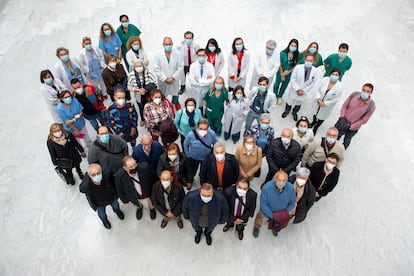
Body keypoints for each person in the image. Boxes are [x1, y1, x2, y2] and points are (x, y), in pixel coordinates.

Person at [80, 163, 124, 229]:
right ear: (89, 175)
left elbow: (113, 182)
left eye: (98, 173)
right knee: (101, 214)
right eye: (93, 175)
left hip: (111, 198)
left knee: (116, 206)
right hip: (99, 204)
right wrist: (86, 178)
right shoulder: (87, 185)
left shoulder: (107, 176)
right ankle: (104, 221)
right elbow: (81, 189)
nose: (96, 176)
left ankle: (117, 211)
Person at [253, 170, 296, 237]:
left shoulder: (291, 188)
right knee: (259, 217)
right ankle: (257, 227)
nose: (281, 182)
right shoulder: (266, 188)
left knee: (278, 222)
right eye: (279, 180)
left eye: (284, 180)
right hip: (267, 210)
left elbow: (292, 203)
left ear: (286, 181)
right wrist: (273, 216)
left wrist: (284, 213)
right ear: (275, 179)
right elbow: (263, 204)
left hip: (281, 212)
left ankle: (275, 228)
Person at [334, 83, 376, 149]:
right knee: (335, 136)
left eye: (368, 91)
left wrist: (352, 126)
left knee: (346, 141)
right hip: (343, 121)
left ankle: (339, 153)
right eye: (364, 90)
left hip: (353, 128)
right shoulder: (354, 95)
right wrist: (342, 117)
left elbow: (364, 120)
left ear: (371, 93)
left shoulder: (371, 106)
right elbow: (344, 106)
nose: (365, 92)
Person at [114, 156, 156, 220]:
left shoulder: (145, 167)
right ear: (125, 168)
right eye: (130, 167)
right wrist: (124, 199)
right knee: (136, 202)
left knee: (150, 201)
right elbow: (119, 189)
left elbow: (153, 178)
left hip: (146, 191)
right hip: (133, 194)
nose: (134, 167)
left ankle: (152, 209)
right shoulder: (119, 176)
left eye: (135, 164)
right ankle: (139, 208)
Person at [281, 54, 317, 121]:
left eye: (310, 60)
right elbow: (292, 79)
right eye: (307, 60)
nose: (309, 62)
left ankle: (294, 112)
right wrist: (297, 89)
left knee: (298, 103)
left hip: (303, 92)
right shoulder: (298, 67)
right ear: (304, 60)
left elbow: (313, 83)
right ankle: (287, 111)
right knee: (290, 101)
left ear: (313, 61)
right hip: (294, 90)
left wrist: (303, 91)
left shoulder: (315, 71)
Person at [153, 37, 184, 111]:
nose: (168, 46)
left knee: (175, 92)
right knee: (163, 93)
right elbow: (156, 68)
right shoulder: (157, 55)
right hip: (163, 80)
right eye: (166, 44)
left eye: (170, 44)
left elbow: (180, 67)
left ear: (172, 44)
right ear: (163, 44)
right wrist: (165, 79)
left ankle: (175, 102)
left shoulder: (178, 54)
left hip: (174, 79)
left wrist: (173, 77)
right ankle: (163, 103)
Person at [310, 68, 343, 134]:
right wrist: (318, 98)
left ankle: (316, 127)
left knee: (322, 116)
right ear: (330, 74)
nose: (334, 76)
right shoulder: (324, 80)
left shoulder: (339, 87)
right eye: (333, 74)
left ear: (339, 77)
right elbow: (317, 88)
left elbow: (336, 99)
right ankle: (313, 122)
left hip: (327, 106)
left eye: (336, 75)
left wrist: (325, 103)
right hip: (318, 101)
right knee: (315, 113)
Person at [127, 60, 157, 126]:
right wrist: (137, 90)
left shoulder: (148, 72)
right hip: (138, 96)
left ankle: (152, 119)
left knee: (150, 107)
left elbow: (155, 82)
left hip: (149, 95)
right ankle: (143, 119)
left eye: (140, 66)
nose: (138, 67)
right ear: (134, 67)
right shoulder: (131, 75)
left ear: (143, 66)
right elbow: (129, 86)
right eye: (136, 66)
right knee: (141, 108)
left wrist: (145, 89)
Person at [273, 39, 299, 105]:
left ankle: (279, 97)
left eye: (295, 46)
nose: (293, 47)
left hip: (289, 74)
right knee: (276, 85)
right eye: (292, 45)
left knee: (284, 86)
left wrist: (288, 72)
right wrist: (282, 74)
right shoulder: (283, 53)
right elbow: (279, 63)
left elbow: (296, 65)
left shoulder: (297, 55)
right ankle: (274, 96)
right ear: (289, 45)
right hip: (280, 72)